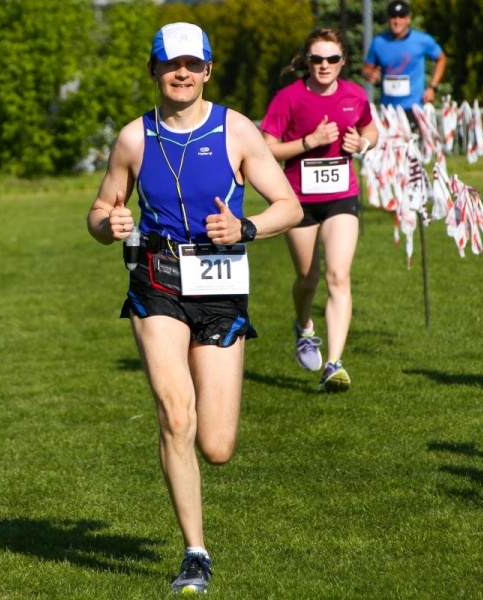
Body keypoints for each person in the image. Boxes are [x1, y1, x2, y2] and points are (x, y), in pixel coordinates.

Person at [86, 22, 301, 594]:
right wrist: (109, 224)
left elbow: (289, 206)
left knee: (217, 445)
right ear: (154, 70)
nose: (180, 74)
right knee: (176, 414)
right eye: (169, 64)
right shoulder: (134, 138)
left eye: (191, 64)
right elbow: (99, 211)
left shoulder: (237, 130)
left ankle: (197, 511)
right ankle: (195, 552)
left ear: (207, 70)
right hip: (156, 279)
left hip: (221, 283)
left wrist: (245, 227)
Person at [259, 27, 378, 393]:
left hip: (342, 196)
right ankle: (305, 327)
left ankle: (334, 364)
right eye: (317, 59)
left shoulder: (355, 95)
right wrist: (309, 142)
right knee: (307, 278)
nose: (324, 65)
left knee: (338, 275)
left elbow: (371, 130)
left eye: (332, 58)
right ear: (307, 61)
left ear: (343, 61)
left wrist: (363, 144)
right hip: (297, 201)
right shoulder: (288, 98)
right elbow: (266, 149)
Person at [362, 0, 446, 127]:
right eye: (393, 17)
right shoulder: (378, 42)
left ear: (408, 19)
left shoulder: (422, 40)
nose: (397, 21)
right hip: (388, 109)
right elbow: (366, 69)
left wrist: (432, 87)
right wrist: (370, 74)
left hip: (414, 107)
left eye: (401, 17)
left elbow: (441, 58)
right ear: (388, 19)